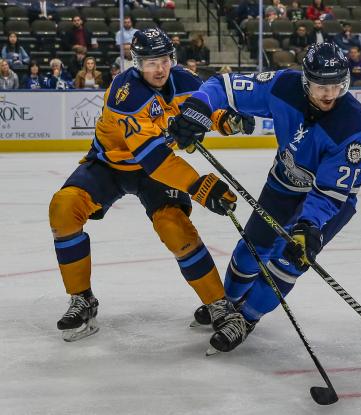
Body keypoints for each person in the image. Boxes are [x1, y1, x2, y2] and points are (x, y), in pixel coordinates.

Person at [49, 28, 254, 344]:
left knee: (175, 225)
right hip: (110, 165)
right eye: (149, 62)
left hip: (152, 170)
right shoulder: (125, 93)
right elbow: (154, 158)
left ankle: (219, 304)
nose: (158, 69)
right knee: (64, 208)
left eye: (164, 60)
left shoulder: (184, 81)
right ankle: (82, 299)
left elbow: (207, 110)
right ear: (136, 63)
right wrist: (199, 186)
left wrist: (228, 120)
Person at [167, 42, 361, 353]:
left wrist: (308, 227)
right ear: (305, 81)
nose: (328, 95)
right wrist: (200, 109)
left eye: (336, 86)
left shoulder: (352, 124)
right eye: (319, 86)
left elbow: (330, 192)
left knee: (289, 262)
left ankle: (246, 318)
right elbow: (222, 86)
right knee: (251, 249)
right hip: (284, 184)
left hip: (329, 203)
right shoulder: (284, 86)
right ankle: (229, 302)